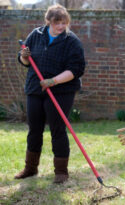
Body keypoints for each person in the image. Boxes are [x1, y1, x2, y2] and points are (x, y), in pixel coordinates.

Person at [15, 4, 85, 184]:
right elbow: (25, 61)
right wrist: (24, 56)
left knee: (57, 129)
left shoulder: (72, 41)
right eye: (57, 23)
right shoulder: (36, 35)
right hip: (35, 88)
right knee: (34, 129)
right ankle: (30, 169)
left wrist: (52, 81)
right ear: (48, 22)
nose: (61, 27)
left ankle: (61, 172)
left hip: (61, 90)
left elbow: (76, 69)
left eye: (64, 23)